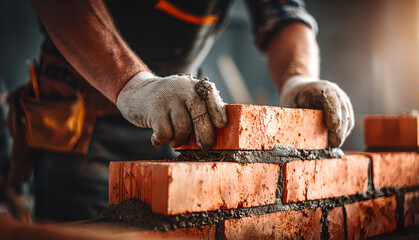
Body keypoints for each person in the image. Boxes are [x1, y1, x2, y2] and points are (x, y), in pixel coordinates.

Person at [7, 0, 354, 221]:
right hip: (83, 115)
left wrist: (299, 79)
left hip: (182, 114)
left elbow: (283, 14)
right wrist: (133, 84)